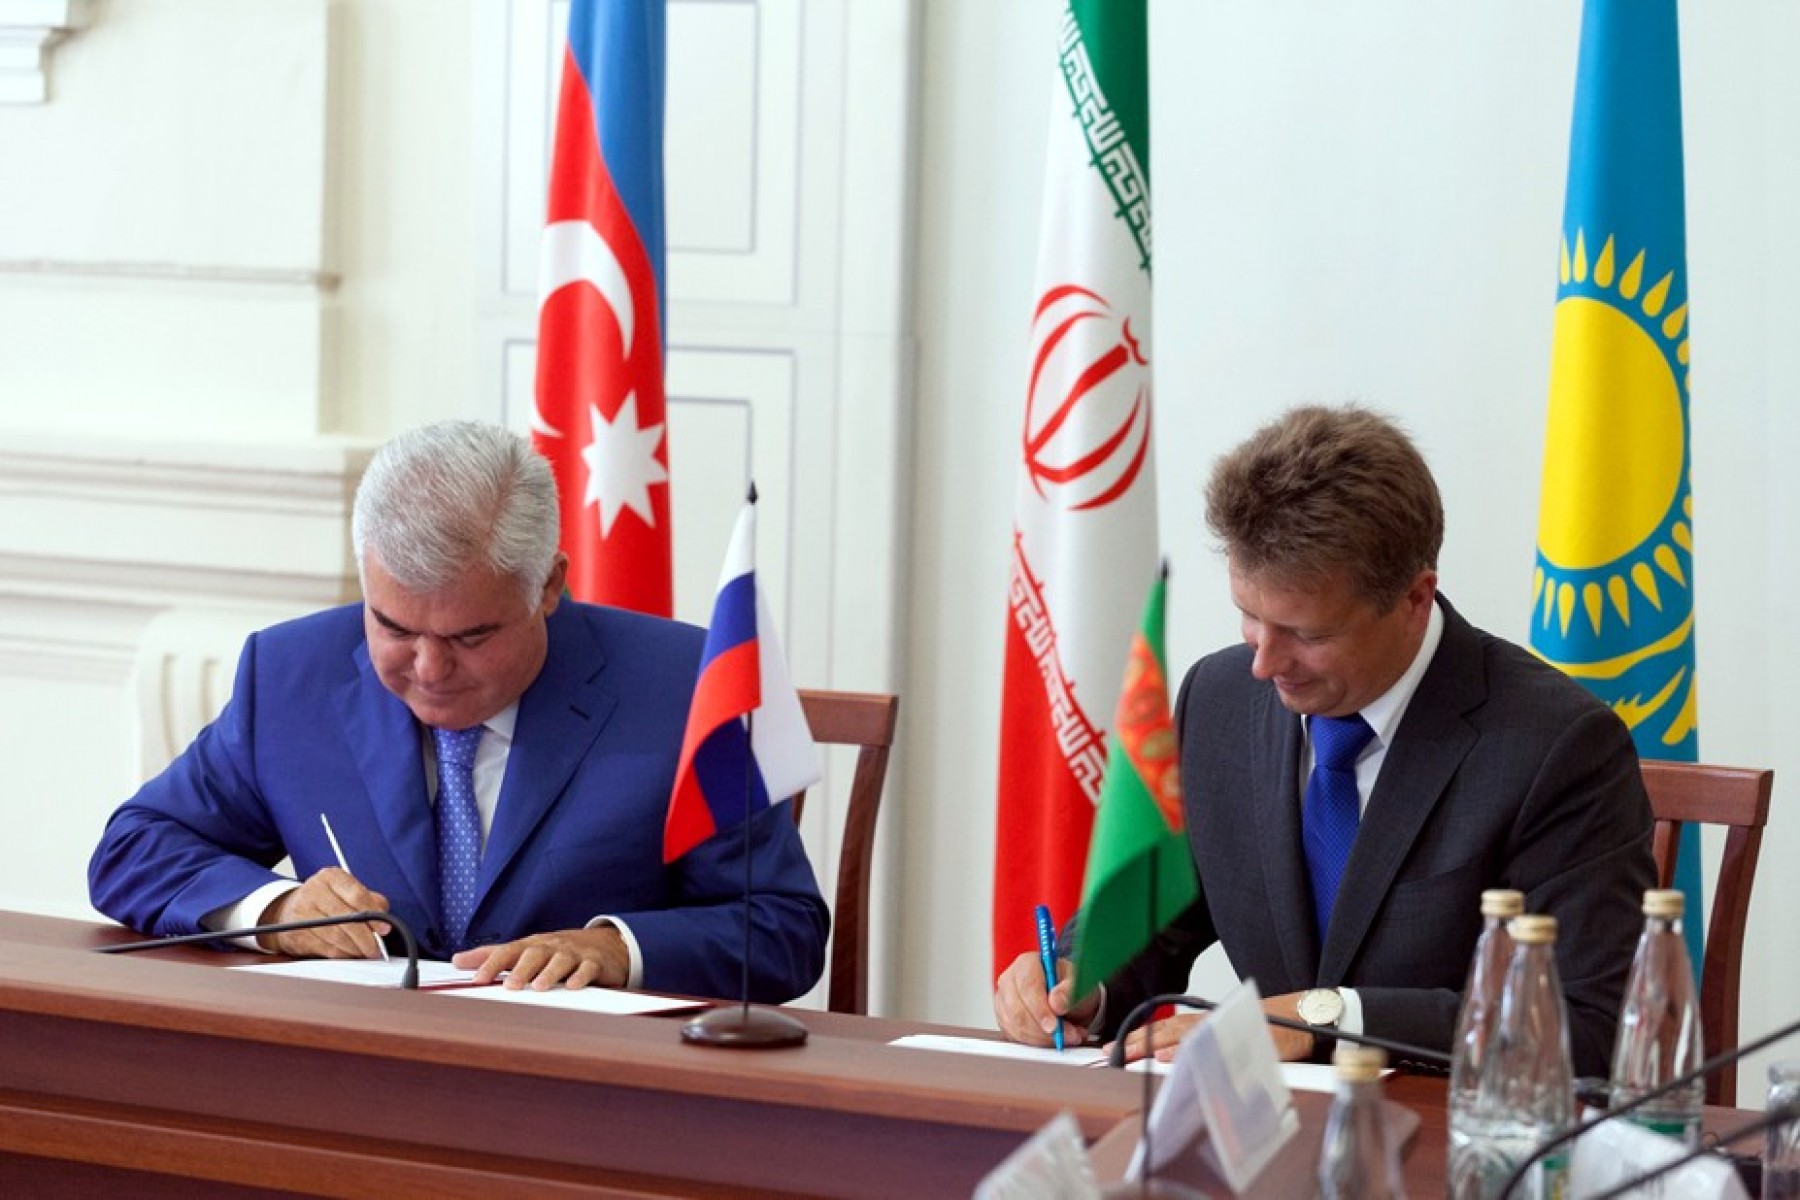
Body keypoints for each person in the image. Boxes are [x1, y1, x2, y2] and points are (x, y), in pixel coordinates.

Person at [993, 404, 1654, 1077]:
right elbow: (1161, 919)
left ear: (1415, 599)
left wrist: (1323, 1019)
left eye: (1307, 634)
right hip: (1261, 1126)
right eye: (1249, 616)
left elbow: (1589, 1023)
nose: (1263, 662)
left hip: (1444, 1126)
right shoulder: (1218, 700)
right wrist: (1082, 982)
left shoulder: (1557, 746)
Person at [89, 420, 828, 1003]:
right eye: (394, 628)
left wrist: (617, 949)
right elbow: (134, 848)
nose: (429, 669)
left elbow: (781, 928)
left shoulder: (683, 687)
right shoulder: (291, 676)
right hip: (356, 1075)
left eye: (470, 637)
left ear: (548, 586)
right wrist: (274, 913)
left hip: (590, 1095)